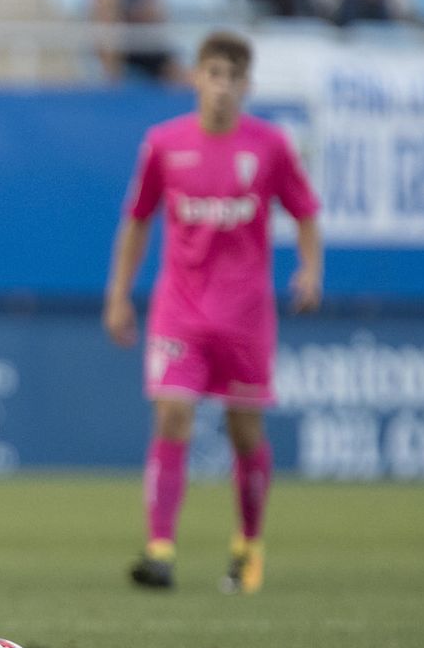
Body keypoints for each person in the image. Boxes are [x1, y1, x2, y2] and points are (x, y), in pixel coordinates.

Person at [103, 31, 322, 596]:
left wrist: (310, 269)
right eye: (214, 73)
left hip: (246, 316)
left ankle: (247, 546)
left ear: (246, 85)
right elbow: (137, 219)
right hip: (181, 311)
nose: (223, 86)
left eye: (234, 76)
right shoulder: (164, 143)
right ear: (196, 76)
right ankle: (159, 550)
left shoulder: (270, 146)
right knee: (172, 414)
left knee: (244, 431)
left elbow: (305, 211)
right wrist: (119, 293)